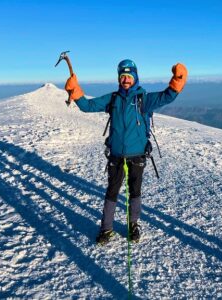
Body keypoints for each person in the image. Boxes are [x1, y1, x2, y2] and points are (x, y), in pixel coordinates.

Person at [65, 59, 188, 244]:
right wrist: (75, 90)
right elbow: (87, 106)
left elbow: (167, 96)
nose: (125, 80)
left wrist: (178, 79)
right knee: (112, 192)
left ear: (135, 77)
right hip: (116, 155)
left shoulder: (143, 99)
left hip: (137, 155)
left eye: (129, 76)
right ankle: (106, 229)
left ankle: (133, 226)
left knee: (134, 192)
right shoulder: (113, 99)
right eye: (123, 76)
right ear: (119, 78)